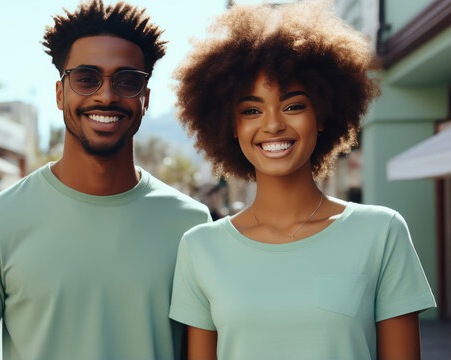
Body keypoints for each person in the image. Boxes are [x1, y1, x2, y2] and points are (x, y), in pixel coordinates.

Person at [168, 1, 436, 359]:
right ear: (231, 126)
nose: (273, 124)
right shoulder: (199, 248)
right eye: (251, 110)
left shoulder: (381, 232)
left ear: (322, 114)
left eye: (293, 105)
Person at [0, 1, 210, 359]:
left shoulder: (191, 225)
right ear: (59, 93)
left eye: (127, 81)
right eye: (86, 78)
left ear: (145, 99)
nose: (106, 95)